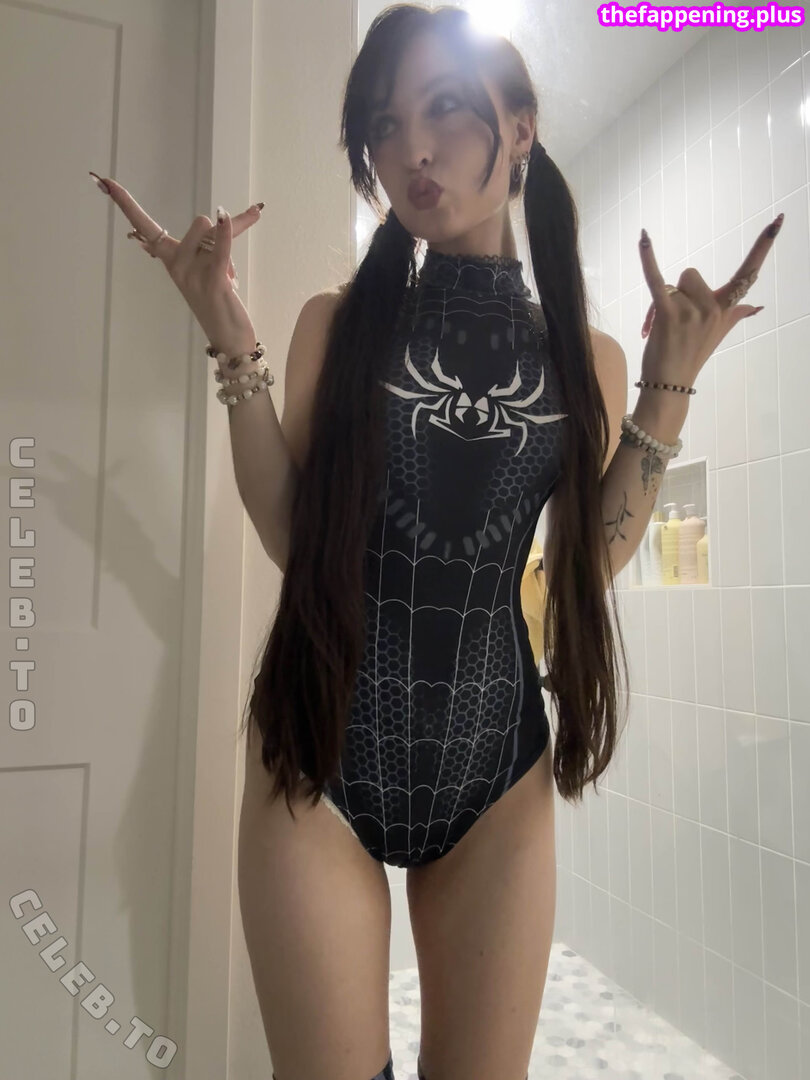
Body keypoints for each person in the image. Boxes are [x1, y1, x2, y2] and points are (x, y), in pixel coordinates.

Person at [97, 3, 775, 1076]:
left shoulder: (589, 358)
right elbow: (294, 534)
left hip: (496, 778)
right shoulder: (337, 323)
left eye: (445, 109)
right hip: (318, 757)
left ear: (521, 126)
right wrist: (230, 340)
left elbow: (585, 566)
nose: (410, 147)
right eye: (383, 124)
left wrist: (667, 392)